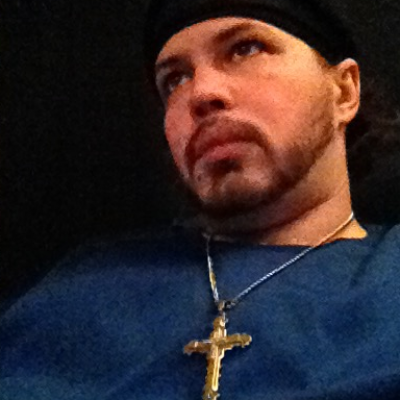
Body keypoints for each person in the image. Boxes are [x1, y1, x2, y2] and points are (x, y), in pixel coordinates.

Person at [1, 0, 400, 399]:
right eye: (175, 80)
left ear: (344, 92)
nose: (201, 93)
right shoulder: (78, 286)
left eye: (246, 49)